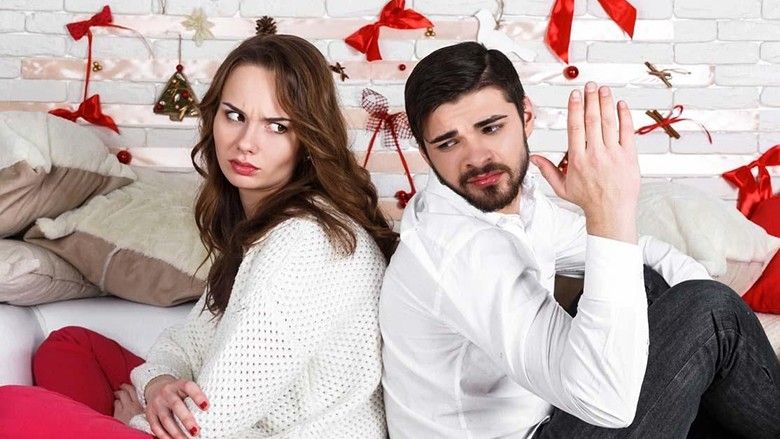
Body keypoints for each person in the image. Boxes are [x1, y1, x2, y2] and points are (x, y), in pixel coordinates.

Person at [0, 34, 397, 439]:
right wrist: (156, 385)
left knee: (10, 407)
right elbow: (185, 343)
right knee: (70, 346)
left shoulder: (304, 242)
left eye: (277, 126)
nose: (246, 143)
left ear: (308, 139)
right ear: (213, 117)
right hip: (223, 424)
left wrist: (129, 423)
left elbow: (209, 422)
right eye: (235, 116)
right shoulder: (263, 227)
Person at [379, 41, 780, 439]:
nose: (476, 157)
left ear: (526, 116)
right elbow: (606, 403)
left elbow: (641, 252)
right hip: (555, 421)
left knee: (646, 285)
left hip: (553, 413)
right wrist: (608, 209)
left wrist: (708, 324)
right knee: (712, 312)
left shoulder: (517, 207)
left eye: (490, 128)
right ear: (427, 154)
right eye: (449, 143)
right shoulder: (458, 250)